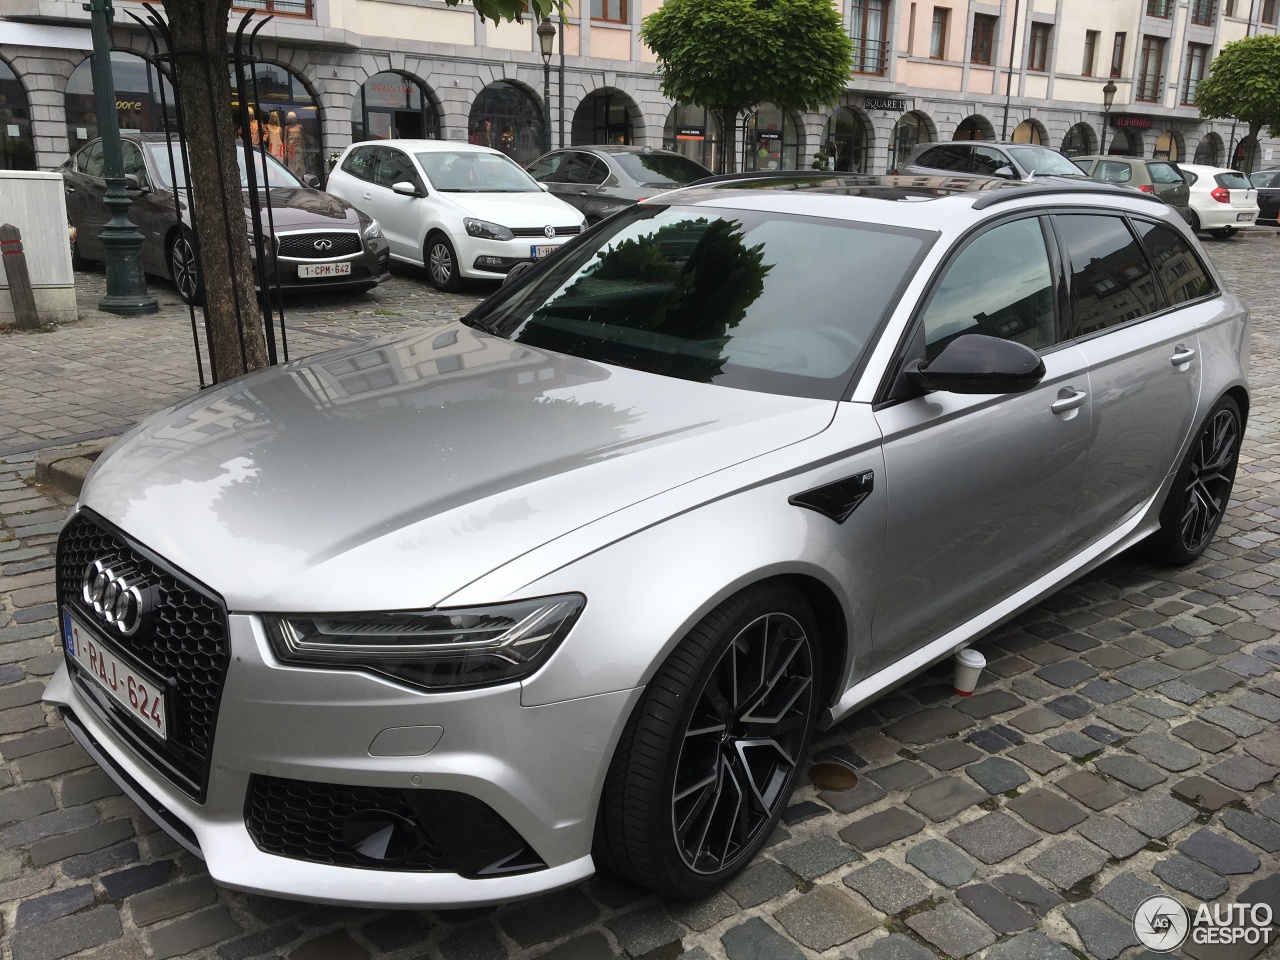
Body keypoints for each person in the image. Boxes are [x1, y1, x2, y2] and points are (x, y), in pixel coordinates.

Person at [285, 111, 306, 177]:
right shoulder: (287, 128)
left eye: (294, 118)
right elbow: (285, 139)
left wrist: (303, 148)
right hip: (291, 148)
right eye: (291, 119)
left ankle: (300, 177)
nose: (293, 120)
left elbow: (302, 138)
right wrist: (285, 150)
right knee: (292, 164)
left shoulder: (300, 127)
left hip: (299, 147)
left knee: (299, 163)